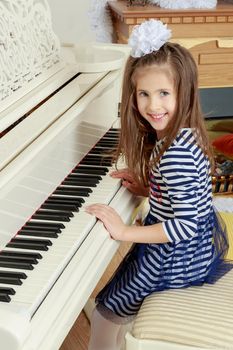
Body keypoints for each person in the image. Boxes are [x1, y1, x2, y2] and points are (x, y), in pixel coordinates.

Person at [85, 19, 229, 350]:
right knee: (114, 299)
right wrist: (147, 188)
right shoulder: (180, 137)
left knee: (108, 311)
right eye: (144, 94)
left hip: (172, 257)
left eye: (164, 93)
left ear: (184, 93)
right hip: (185, 251)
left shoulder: (175, 152)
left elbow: (183, 224)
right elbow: (183, 196)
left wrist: (123, 232)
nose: (153, 106)